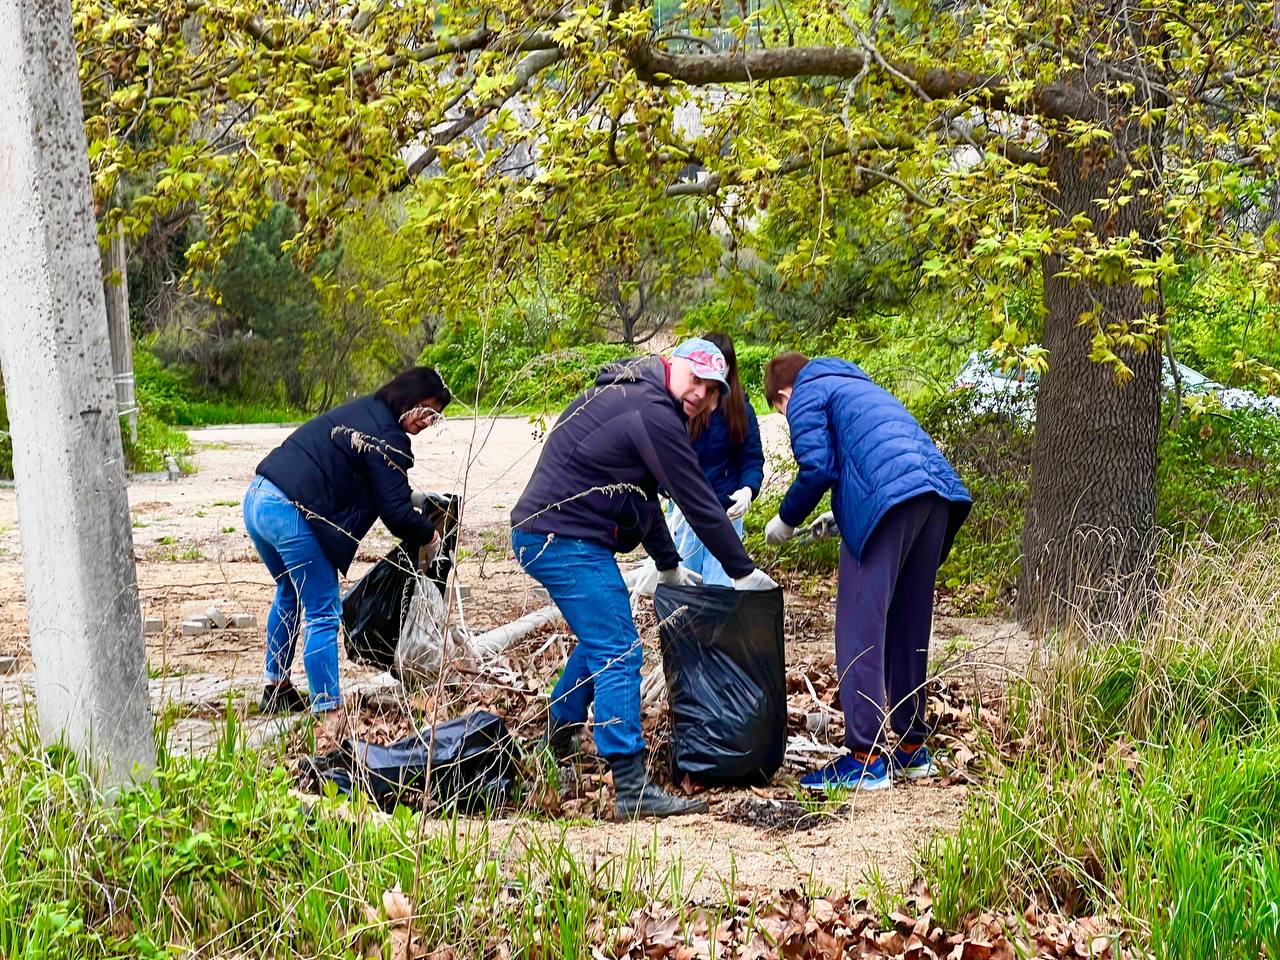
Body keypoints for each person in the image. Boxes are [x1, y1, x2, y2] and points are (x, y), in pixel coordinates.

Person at [511, 337, 778, 819]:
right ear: (674, 366)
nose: (700, 393)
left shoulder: (639, 395)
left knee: (600, 639)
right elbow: (694, 498)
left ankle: (557, 737)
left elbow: (643, 499)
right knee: (619, 649)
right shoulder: (651, 409)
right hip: (560, 537)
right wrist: (742, 572)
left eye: (712, 388)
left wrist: (669, 561)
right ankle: (631, 786)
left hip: (557, 533)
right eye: (695, 379)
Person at [762, 352, 971, 792]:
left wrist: (786, 519)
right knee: (907, 626)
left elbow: (819, 467)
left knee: (861, 627)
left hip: (892, 504)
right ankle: (913, 750)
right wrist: (838, 518)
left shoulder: (804, 392)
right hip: (935, 497)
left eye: (780, 413)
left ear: (782, 394)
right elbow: (880, 462)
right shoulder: (857, 385)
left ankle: (865, 757)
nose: (788, 417)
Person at [243, 367, 451, 736]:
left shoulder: (364, 412)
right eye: (429, 411)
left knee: (289, 592)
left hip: (258, 499)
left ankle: (276, 688)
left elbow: (381, 488)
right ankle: (329, 713)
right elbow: (396, 514)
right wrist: (430, 536)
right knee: (323, 610)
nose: (430, 422)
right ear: (410, 398)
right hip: (290, 512)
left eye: (436, 417)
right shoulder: (387, 436)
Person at [665, 332, 764, 587]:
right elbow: (663, 461)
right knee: (684, 579)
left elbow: (751, 458)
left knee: (721, 582)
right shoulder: (682, 406)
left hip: (726, 507)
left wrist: (747, 490)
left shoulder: (741, 409)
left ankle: (717, 627)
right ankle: (683, 627)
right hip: (685, 507)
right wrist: (671, 492)